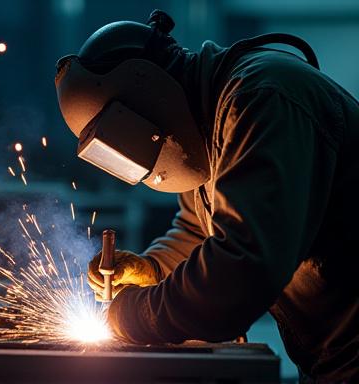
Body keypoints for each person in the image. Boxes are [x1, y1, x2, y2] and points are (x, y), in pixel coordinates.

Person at [55, 10, 359, 382]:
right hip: (332, 361)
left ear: (146, 92)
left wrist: (132, 316)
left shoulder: (260, 100)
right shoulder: (206, 124)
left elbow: (241, 267)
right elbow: (200, 232)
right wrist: (152, 269)